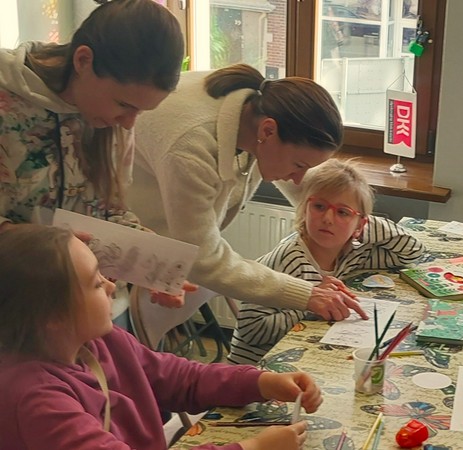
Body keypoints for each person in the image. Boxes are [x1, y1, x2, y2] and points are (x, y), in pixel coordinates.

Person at [0, 225, 321, 450]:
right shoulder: (36, 399)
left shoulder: (99, 341)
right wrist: (251, 448)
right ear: (54, 316)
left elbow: (179, 379)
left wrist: (261, 382)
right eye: (97, 283)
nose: (112, 287)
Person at [128, 64, 368, 321]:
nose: (299, 179)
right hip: (120, 229)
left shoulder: (258, 109)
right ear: (267, 131)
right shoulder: (190, 148)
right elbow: (204, 260)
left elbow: (319, 191)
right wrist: (307, 295)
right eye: (299, 166)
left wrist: (358, 218)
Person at [0, 0, 186, 311]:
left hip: (86, 308)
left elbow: (111, 212)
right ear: (83, 60)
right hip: (15, 316)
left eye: (141, 111)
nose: (129, 123)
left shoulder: (110, 119)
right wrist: (44, 242)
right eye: (124, 104)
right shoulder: (8, 105)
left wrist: (154, 266)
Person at [228, 159, 425, 364]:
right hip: (255, 373)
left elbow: (410, 251)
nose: (328, 218)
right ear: (305, 209)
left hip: (302, 357)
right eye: (319, 206)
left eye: (342, 212)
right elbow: (251, 330)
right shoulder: (291, 259)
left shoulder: (352, 255)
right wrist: (307, 303)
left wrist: (360, 224)